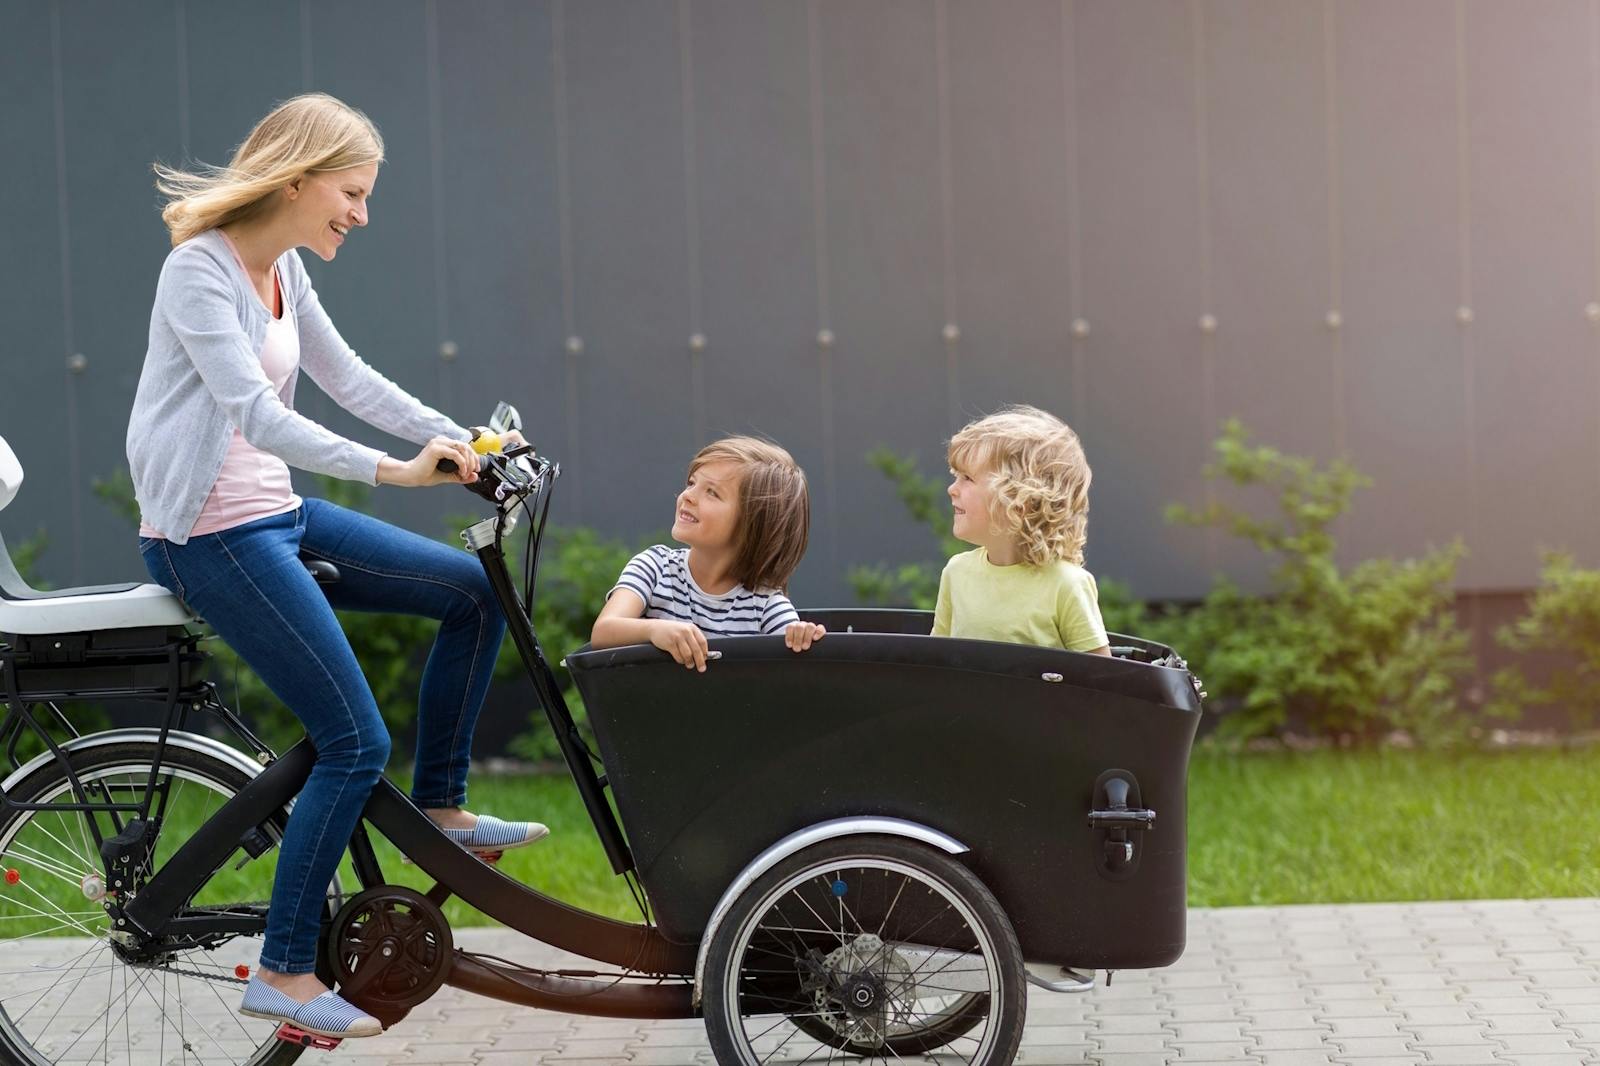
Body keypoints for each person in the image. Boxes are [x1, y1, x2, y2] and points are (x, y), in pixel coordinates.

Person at [127, 93, 544, 1039]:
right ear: (299, 177)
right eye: (351, 193)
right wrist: (392, 471)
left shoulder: (282, 272)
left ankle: (441, 807)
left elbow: (349, 378)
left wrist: (462, 440)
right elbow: (255, 415)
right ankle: (282, 970)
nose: (360, 213)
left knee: (473, 594)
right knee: (354, 740)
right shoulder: (199, 272)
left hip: (275, 513)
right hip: (208, 538)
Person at [591, 437, 825, 669]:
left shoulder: (765, 605)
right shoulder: (654, 566)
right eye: (692, 483)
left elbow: (798, 672)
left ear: (752, 524)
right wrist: (654, 630)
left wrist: (801, 638)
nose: (688, 496)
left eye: (712, 492)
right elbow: (603, 632)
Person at [932, 404, 1111, 656]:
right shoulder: (956, 572)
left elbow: (1100, 683)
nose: (952, 489)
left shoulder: (1066, 584)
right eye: (955, 475)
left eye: (968, 478)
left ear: (1021, 500)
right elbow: (937, 661)